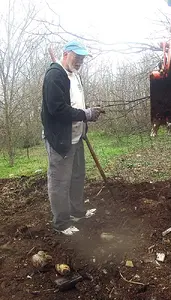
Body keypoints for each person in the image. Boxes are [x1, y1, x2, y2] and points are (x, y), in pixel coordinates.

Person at [41, 40, 103, 236]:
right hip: (60, 139)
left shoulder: (74, 75)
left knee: (77, 176)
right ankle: (62, 222)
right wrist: (86, 114)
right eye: (77, 57)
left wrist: (84, 122)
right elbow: (57, 109)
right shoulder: (54, 75)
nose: (80, 62)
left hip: (76, 136)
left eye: (83, 59)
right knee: (60, 181)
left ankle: (77, 212)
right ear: (66, 54)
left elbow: (75, 102)